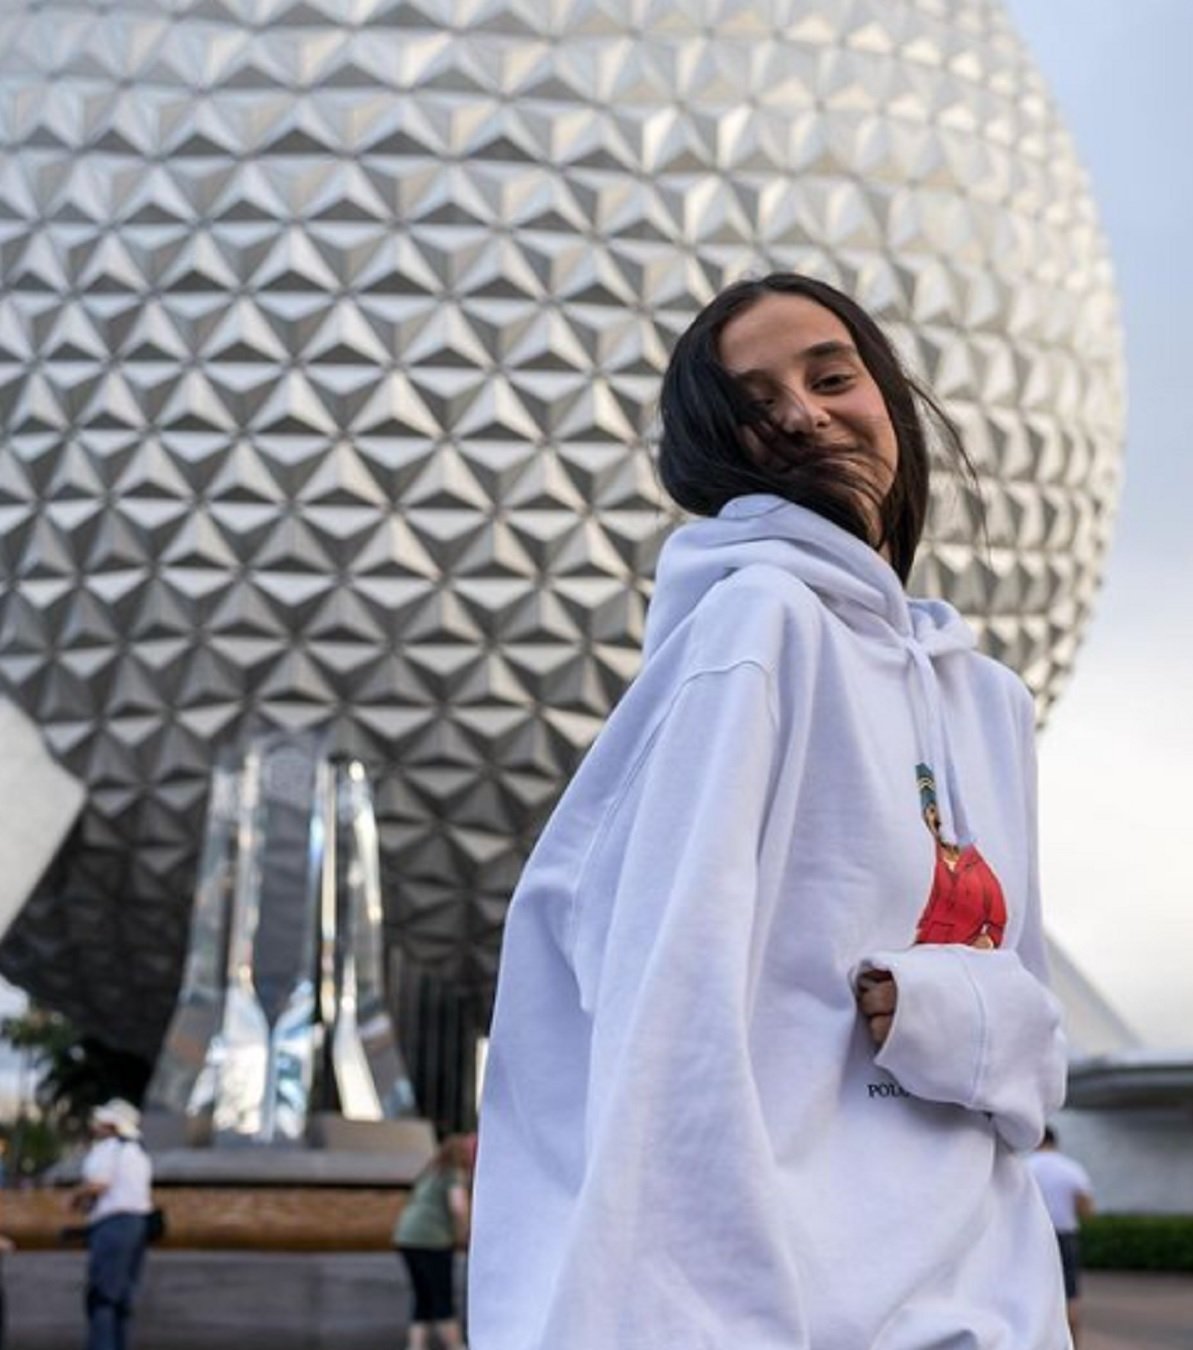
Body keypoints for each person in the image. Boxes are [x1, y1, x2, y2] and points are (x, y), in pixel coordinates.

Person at [470, 272, 1070, 1348]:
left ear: (887, 390)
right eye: (755, 404)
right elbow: (671, 1023)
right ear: (720, 452)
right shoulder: (753, 630)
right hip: (809, 1306)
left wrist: (946, 1008)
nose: (801, 412)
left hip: (985, 1296)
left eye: (830, 375)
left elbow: (1032, 1055)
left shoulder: (987, 701)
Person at [68, 1098, 153, 1350]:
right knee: (122, 1299)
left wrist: (76, 1196)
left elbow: (99, 1183)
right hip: (138, 1225)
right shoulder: (138, 1152)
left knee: (103, 1297)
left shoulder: (108, 1149)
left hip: (112, 1225)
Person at [393, 1133, 473, 1350]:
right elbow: (458, 1206)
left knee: (423, 1297)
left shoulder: (432, 1172)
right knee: (441, 1296)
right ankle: (456, 1346)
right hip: (432, 1239)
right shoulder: (454, 1174)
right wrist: (465, 1234)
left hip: (406, 1237)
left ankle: (416, 1346)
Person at [1027, 1126, 1096, 1344]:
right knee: (1070, 1296)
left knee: (1031, 1295)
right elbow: (1087, 1209)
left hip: (1031, 1239)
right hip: (1065, 1235)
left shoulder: (1024, 1167)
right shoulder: (1071, 1168)